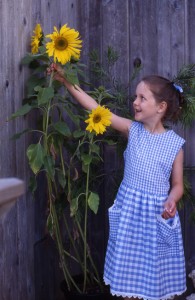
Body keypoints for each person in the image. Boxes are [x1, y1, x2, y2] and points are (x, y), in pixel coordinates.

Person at [48, 63, 186, 300]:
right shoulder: (133, 130)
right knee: (127, 281)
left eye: (142, 98)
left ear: (161, 107)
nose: (135, 102)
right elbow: (95, 107)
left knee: (156, 279)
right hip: (130, 218)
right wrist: (66, 82)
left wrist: (172, 199)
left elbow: (178, 185)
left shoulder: (174, 145)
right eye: (135, 96)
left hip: (155, 218)